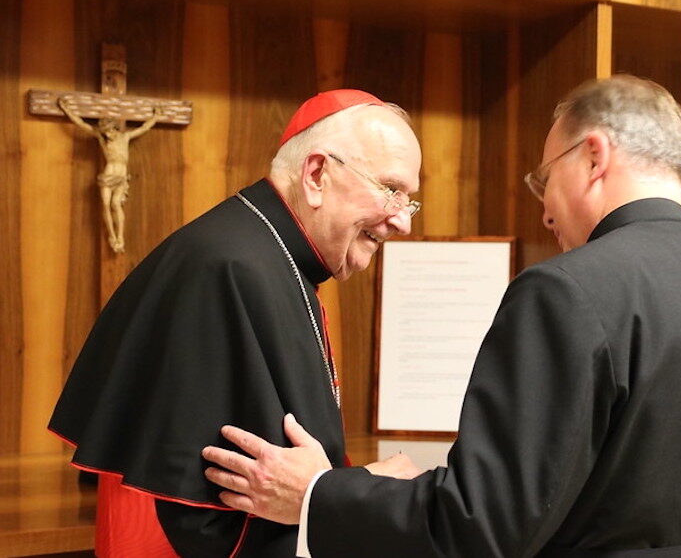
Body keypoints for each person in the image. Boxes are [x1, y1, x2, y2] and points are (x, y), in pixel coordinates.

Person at [202, 75, 681, 557]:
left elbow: (481, 524)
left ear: (593, 156)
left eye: (544, 178)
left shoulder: (566, 291)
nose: (545, 210)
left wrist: (317, 494)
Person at [49, 89, 423, 557]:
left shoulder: (267, 259)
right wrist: (365, 492)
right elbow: (221, 518)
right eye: (391, 190)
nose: (402, 221)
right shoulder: (230, 270)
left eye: (410, 200)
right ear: (316, 174)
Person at [58, 96, 163, 252]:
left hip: (120, 174)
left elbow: (143, 128)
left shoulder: (125, 137)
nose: (107, 135)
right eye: (104, 132)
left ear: (114, 128)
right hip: (108, 173)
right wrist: (67, 109)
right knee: (106, 205)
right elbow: (81, 124)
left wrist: (156, 116)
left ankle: (120, 236)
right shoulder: (102, 139)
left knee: (115, 204)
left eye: (108, 131)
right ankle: (112, 236)